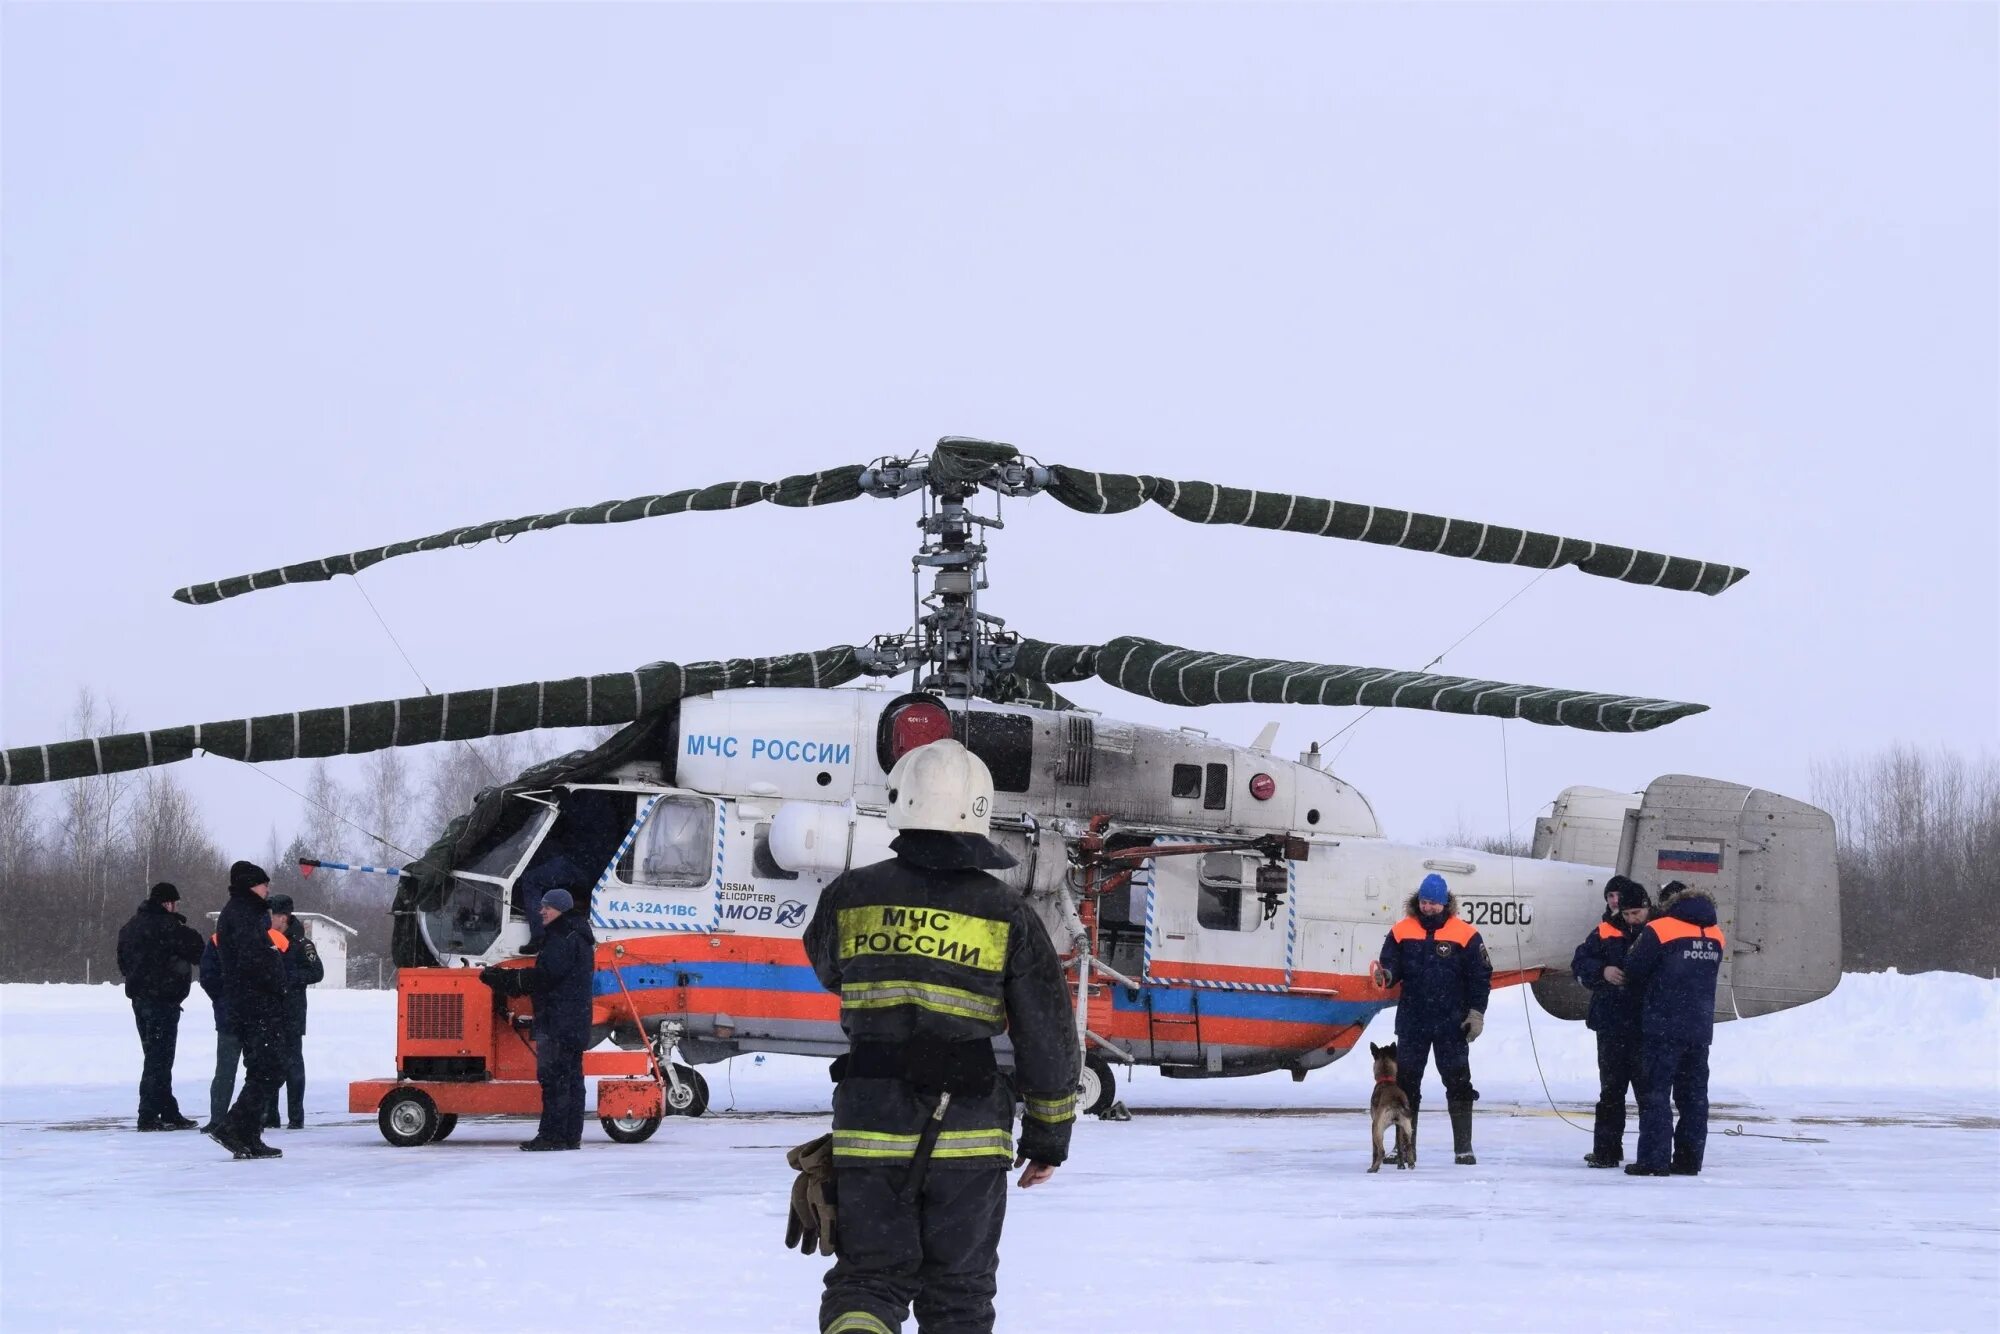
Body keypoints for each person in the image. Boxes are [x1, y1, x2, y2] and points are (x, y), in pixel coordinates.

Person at [799, 738, 1079, 1334]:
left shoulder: (849, 896)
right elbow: (1047, 1034)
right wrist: (1049, 1135)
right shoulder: (1008, 913)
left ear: (900, 800)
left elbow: (828, 970)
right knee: (958, 1296)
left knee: (868, 1281)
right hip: (971, 1138)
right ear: (979, 811)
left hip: (870, 1124)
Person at [1371, 872, 1492, 1165]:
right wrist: (1386, 974)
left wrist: (1476, 1013)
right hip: (1414, 1021)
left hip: (1452, 1022)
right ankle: (1405, 1148)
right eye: (1424, 902)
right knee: (1408, 1086)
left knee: (1458, 1081)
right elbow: (1391, 964)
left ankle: (1463, 1147)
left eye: (1433, 904)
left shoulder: (1465, 934)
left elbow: (1480, 976)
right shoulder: (1401, 931)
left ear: (1445, 903)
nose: (1428, 908)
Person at [1621, 882, 1727, 1177]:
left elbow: (1634, 967)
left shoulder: (1660, 928)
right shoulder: (1716, 933)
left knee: (1656, 1094)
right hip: (1699, 1027)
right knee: (1694, 1098)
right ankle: (1689, 1160)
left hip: (1663, 1026)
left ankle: (1654, 1160)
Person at [481, 887, 596, 1151]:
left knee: (554, 1078)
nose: (541, 911)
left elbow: (545, 977)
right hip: (573, 1020)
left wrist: (504, 979)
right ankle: (568, 1136)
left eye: (548, 907)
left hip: (558, 1021)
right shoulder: (577, 935)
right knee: (570, 1079)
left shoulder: (562, 937)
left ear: (561, 910)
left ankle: (552, 1137)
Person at [210, 861, 289, 1160]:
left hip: (253, 1002)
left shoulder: (247, 913)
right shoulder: (243, 914)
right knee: (270, 1067)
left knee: (263, 1067)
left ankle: (248, 1133)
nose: (267, 888)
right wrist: (275, 982)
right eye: (262, 883)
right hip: (255, 1003)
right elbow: (252, 959)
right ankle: (234, 1126)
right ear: (249, 885)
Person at [1571, 875, 1652, 1168]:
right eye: (1612, 898)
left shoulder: (1655, 931)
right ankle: (1606, 1151)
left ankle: (1651, 1153)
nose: (1617, 904)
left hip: (1645, 1025)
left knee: (1648, 1093)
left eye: (1622, 899)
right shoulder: (1604, 931)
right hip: (1611, 1023)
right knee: (1611, 1091)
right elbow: (1580, 962)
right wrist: (1602, 972)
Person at [115, 882, 205, 1131]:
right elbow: (198, 949)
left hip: (140, 1000)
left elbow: (122, 962)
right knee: (159, 1059)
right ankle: (148, 1115)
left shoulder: (130, 927)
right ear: (168, 903)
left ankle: (168, 1111)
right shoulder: (169, 927)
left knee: (154, 1056)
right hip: (163, 1001)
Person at [259, 895, 324, 1130]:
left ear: (282, 917)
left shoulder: (301, 944)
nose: (269, 919)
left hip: (292, 1012)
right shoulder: (267, 939)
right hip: (270, 1012)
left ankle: (296, 1117)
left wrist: (290, 979)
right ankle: (270, 1115)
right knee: (271, 1064)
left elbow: (317, 972)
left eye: (272, 915)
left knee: (293, 1064)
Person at [198, 928, 241, 1136]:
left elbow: (207, 976)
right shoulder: (266, 936)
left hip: (230, 1015)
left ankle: (218, 1118)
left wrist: (222, 998)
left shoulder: (217, 939)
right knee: (259, 1072)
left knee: (225, 1071)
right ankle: (255, 1118)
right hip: (253, 1015)